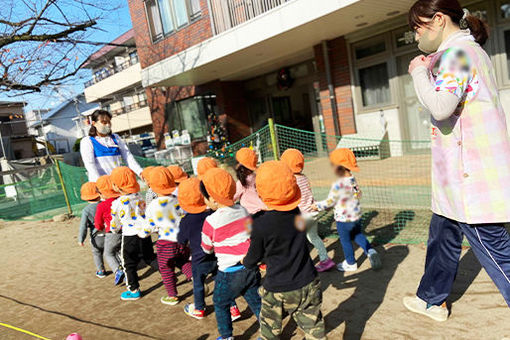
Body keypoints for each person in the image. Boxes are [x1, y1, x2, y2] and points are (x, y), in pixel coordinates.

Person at [404, 0, 510, 321]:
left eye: (417, 27)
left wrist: (419, 72)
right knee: (442, 235)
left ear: (437, 20)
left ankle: (432, 300)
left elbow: (440, 106)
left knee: (497, 254)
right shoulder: (468, 53)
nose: (416, 36)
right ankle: (431, 300)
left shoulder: (459, 54)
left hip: (471, 181)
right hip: (458, 179)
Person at [244, 161, 326, 340]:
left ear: (260, 192)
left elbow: (254, 257)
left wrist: (247, 262)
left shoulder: (260, 225)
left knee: (269, 332)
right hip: (308, 281)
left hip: (277, 289)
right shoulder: (296, 213)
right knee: (313, 327)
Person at [200, 168, 261, 340]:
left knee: (220, 303)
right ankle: (268, 331)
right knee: (256, 300)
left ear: (212, 199)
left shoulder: (210, 221)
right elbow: (250, 231)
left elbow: (206, 248)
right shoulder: (243, 210)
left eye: (205, 198)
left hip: (229, 273)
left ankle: (226, 336)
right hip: (249, 267)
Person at [177, 178, 241, 321]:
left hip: (199, 259)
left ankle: (199, 308)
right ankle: (233, 308)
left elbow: (181, 241)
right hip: (216, 255)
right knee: (223, 283)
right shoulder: (212, 213)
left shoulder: (186, 221)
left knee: (198, 283)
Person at [312, 148, 381, 272]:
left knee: (345, 240)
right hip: (356, 215)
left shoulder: (338, 183)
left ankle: (351, 263)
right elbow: (357, 194)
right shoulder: (352, 179)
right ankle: (370, 250)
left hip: (343, 219)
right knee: (358, 234)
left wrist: (317, 205)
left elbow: (330, 200)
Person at [142, 166, 192, 306]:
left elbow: (150, 226)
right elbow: (185, 215)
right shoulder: (178, 199)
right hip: (181, 239)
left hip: (165, 242)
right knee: (183, 261)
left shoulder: (152, 206)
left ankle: (172, 295)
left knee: (166, 268)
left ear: (152, 186)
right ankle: (193, 276)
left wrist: (143, 233)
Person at [281, 148, 335, 273]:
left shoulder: (290, 180)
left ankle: (301, 266)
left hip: (301, 216)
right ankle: (325, 260)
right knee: (314, 237)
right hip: (312, 213)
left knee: (296, 242)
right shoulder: (304, 178)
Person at [110, 166, 157, 301]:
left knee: (128, 262)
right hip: (144, 232)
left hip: (130, 235)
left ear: (117, 186)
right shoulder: (139, 196)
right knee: (149, 257)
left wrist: (114, 230)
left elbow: (115, 222)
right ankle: (168, 275)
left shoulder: (118, 203)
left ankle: (133, 289)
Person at [80, 109, 143, 181]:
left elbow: (127, 156)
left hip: (119, 183)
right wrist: (100, 183)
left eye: (109, 122)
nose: (108, 124)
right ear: (94, 124)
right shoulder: (88, 141)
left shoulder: (116, 138)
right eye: (103, 122)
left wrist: (140, 172)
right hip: (102, 186)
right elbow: (90, 165)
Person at [94, 175, 124, 285]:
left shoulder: (102, 205)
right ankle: (126, 271)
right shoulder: (121, 200)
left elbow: (98, 222)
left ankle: (117, 270)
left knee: (108, 253)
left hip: (112, 233)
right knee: (121, 252)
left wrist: (99, 229)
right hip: (125, 231)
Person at [78, 182, 105, 278]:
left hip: (96, 236)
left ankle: (101, 271)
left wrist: (81, 239)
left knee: (97, 253)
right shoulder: (105, 204)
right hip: (109, 234)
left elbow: (83, 226)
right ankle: (119, 267)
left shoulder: (86, 210)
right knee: (113, 252)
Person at [233, 148, 266, 217]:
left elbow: (232, 198)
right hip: (264, 209)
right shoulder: (257, 176)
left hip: (251, 214)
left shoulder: (241, 183)